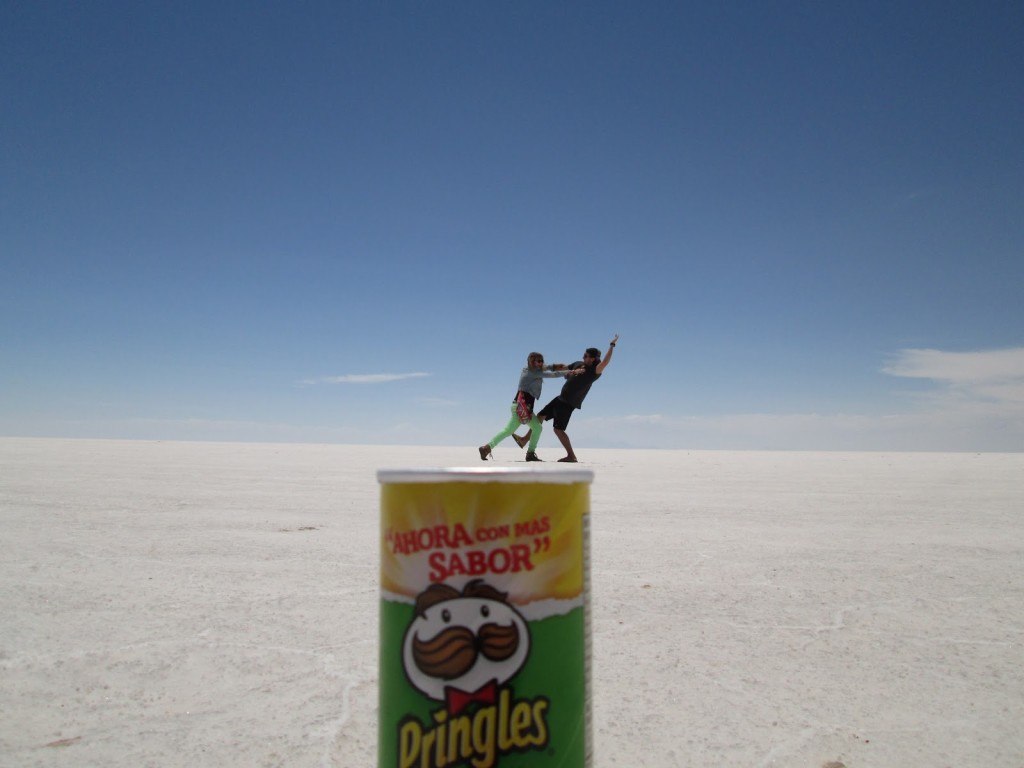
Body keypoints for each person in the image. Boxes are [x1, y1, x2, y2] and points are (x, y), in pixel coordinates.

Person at [520, 334, 618, 463]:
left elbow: (605, 362)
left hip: (568, 403)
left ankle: (571, 456)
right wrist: (541, 367)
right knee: (540, 416)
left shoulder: (594, 371)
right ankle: (525, 439)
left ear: (593, 359)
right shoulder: (578, 364)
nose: (583, 357)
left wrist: (612, 345)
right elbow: (564, 368)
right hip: (560, 398)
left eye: (586, 356)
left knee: (558, 429)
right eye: (584, 355)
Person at [478, 352, 571, 462]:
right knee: (537, 428)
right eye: (538, 361)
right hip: (522, 407)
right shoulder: (533, 372)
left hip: (519, 405)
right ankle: (530, 453)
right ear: (532, 362)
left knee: (509, 430)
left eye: (542, 360)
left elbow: (549, 368)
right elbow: (552, 375)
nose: (541, 363)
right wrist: (571, 372)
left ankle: (486, 448)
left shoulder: (530, 369)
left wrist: (560, 366)